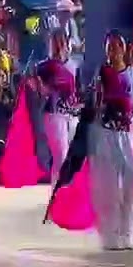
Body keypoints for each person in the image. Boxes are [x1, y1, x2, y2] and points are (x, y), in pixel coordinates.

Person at [91, 33, 133, 250]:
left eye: (118, 45)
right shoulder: (102, 73)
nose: (114, 50)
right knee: (108, 186)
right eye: (109, 47)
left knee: (129, 184)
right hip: (106, 133)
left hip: (125, 134)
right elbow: (94, 102)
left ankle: (126, 231)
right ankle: (109, 234)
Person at [32, 31, 81, 186]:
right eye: (55, 43)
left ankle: (67, 192)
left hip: (72, 115)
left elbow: (78, 90)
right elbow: (39, 91)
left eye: (61, 42)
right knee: (61, 155)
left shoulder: (74, 65)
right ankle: (58, 194)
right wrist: (41, 87)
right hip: (54, 114)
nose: (59, 46)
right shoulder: (44, 67)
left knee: (71, 156)